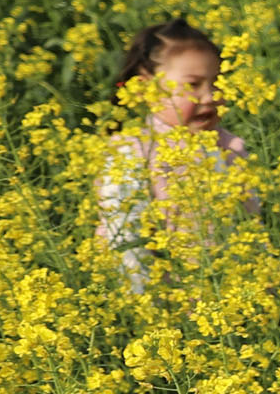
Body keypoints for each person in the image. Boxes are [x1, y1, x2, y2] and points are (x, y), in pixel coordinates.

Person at [96, 19, 252, 293]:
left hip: (231, 295)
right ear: (146, 88)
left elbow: (251, 226)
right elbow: (122, 237)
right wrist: (143, 306)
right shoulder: (134, 153)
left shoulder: (229, 147)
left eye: (217, 83)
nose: (210, 96)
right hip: (164, 302)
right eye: (193, 85)